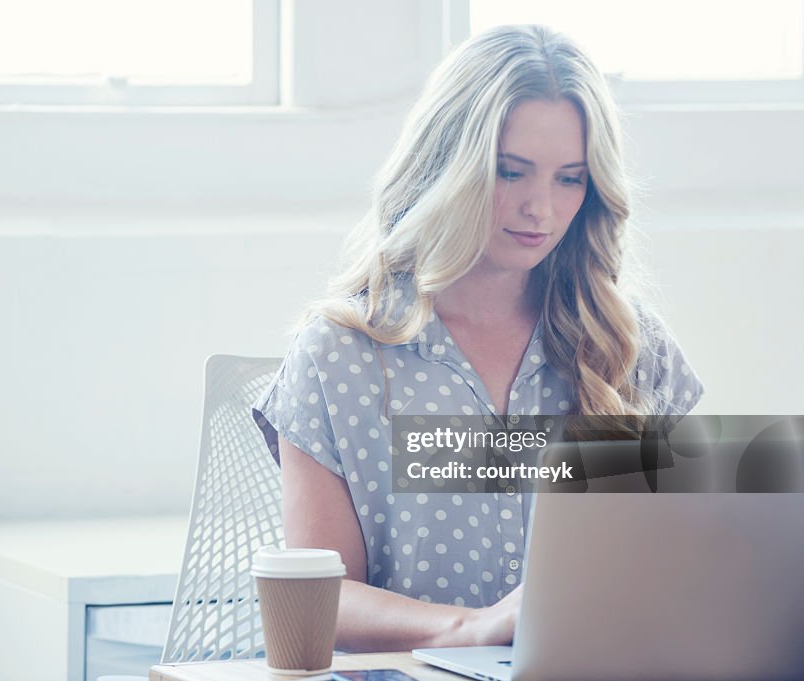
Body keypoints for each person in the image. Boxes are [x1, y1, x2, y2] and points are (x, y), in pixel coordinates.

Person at [252, 24, 703, 652]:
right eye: (510, 172)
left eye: (569, 179)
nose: (540, 210)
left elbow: (692, 570)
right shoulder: (342, 356)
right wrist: (470, 629)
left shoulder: (628, 348)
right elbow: (318, 599)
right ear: (448, 167)